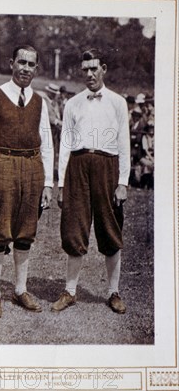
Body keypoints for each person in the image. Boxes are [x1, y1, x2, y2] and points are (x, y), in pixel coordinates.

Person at [0, 45, 54, 318]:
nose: (26, 69)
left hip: (32, 167)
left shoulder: (40, 102)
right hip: (2, 165)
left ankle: (20, 289)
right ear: (11, 63)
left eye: (31, 65)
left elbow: (48, 145)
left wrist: (48, 183)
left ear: (36, 69)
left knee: (26, 230)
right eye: (22, 63)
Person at [54, 48, 130, 314]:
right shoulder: (72, 103)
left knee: (110, 229)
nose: (89, 74)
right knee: (74, 228)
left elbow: (124, 144)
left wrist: (123, 181)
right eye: (85, 69)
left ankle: (113, 292)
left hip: (107, 167)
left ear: (104, 69)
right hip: (77, 166)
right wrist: (61, 184)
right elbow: (65, 143)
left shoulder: (118, 102)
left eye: (94, 68)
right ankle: (70, 291)